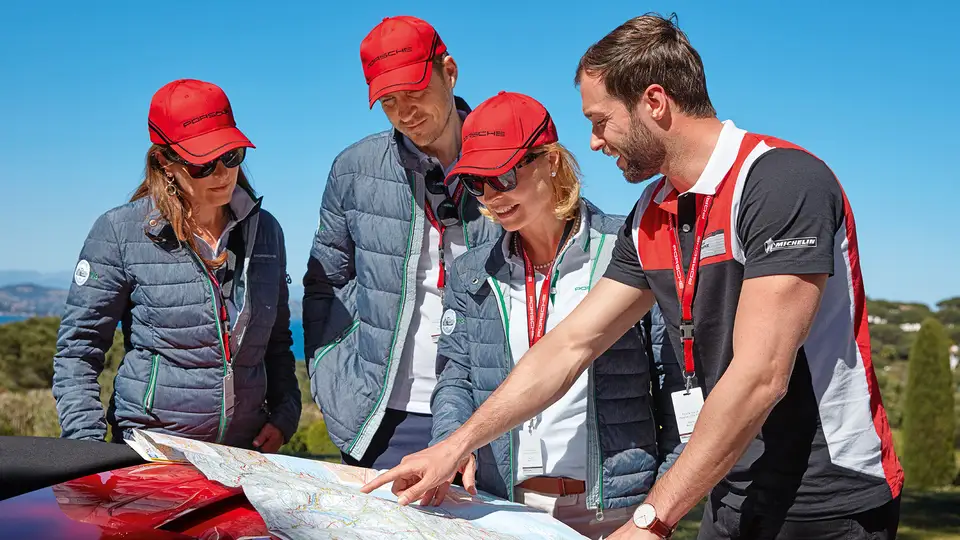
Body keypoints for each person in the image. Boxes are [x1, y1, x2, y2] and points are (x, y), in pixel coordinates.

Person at [362, 14, 903, 540]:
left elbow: (760, 376)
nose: (594, 142)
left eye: (600, 121)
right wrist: (454, 446)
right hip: (728, 486)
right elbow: (571, 345)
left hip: (825, 498)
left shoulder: (780, 181)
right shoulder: (651, 212)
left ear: (654, 102)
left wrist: (650, 520)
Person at [423, 91, 683, 538]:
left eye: (503, 175)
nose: (491, 196)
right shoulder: (470, 272)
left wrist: (658, 512)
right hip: (499, 508)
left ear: (552, 162)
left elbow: (674, 380)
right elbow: (456, 376)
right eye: (476, 182)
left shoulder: (628, 250)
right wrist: (452, 441)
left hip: (612, 515)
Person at [53, 79, 301, 452]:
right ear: (164, 163)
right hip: (151, 450)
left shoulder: (266, 231)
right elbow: (78, 349)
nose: (222, 174)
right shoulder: (120, 232)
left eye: (231, 156)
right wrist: (86, 446)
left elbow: (277, 341)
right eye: (203, 163)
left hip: (242, 454)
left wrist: (284, 416)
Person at [303, 16, 501, 469]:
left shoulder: (504, 159)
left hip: (490, 414)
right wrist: (329, 378)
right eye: (389, 101)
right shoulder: (353, 169)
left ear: (449, 72)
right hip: (381, 418)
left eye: (414, 91)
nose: (405, 112)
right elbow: (325, 283)